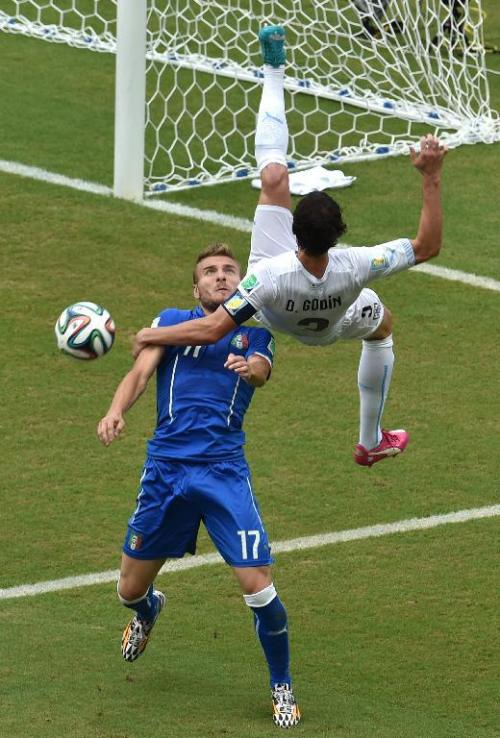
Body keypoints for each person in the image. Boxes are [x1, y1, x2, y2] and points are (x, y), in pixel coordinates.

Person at [133, 26, 448, 469]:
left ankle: (273, 71)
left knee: (273, 179)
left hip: (270, 306)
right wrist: (431, 177)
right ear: (339, 236)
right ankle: (369, 440)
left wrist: (151, 334)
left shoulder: (265, 273)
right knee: (383, 326)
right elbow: (427, 246)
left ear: (292, 232)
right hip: (337, 322)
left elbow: (210, 330)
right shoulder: (357, 264)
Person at [97, 243, 301, 729]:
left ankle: (281, 684)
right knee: (128, 588)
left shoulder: (255, 335)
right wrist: (115, 410)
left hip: (223, 471)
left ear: (241, 282)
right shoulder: (170, 321)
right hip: (165, 471)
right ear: (196, 287)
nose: (222, 277)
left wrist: (248, 369)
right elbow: (139, 373)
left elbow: (262, 373)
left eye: (230, 270)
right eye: (210, 272)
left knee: (259, 588)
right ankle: (148, 610)